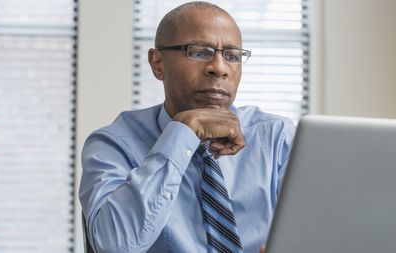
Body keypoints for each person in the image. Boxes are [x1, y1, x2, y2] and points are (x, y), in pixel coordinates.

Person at [79, 1, 295, 253]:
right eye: (199, 52)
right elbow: (114, 247)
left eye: (232, 56)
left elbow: (321, 231)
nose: (219, 68)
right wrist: (183, 133)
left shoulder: (276, 139)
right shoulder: (112, 144)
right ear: (158, 63)